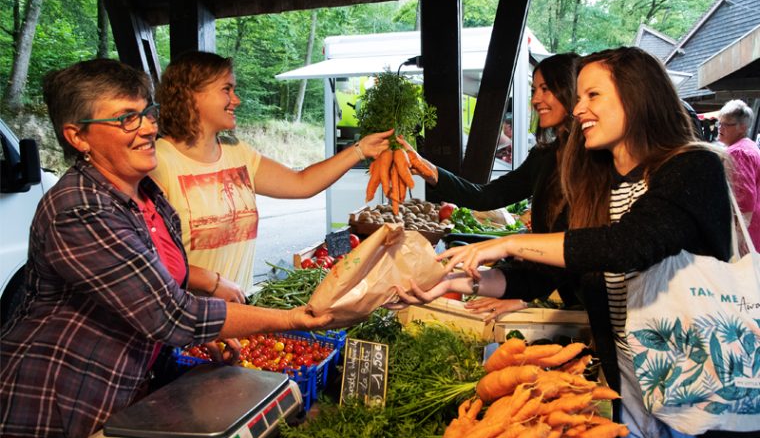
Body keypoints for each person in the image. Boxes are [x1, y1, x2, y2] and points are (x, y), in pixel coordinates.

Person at [391, 47, 733, 438]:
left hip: (699, 375)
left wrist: (511, 244)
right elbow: (542, 275)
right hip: (629, 373)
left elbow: (628, 245)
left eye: (593, 95)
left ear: (636, 95)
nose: (577, 109)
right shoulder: (598, 181)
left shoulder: (693, 166)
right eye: (579, 96)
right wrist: (451, 283)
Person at [0, 59, 333, 438]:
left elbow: (154, 284)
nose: (148, 128)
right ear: (78, 137)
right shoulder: (79, 208)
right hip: (60, 399)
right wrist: (293, 318)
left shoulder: (147, 195)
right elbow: (170, 316)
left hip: (127, 389)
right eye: (127, 118)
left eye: (147, 112)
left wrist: (207, 323)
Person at [151, 51, 393, 296]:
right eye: (227, 89)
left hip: (238, 314)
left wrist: (361, 149)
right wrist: (210, 282)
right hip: (189, 321)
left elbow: (302, 184)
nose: (237, 100)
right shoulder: (158, 162)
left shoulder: (237, 152)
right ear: (191, 94)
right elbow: (149, 260)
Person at [401, 53, 580, 318]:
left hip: (585, 302)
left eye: (546, 89)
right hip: (565, 300)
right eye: (534, 90)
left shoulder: (593, 164)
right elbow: (487, 196)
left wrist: (528, 300)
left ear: (572, 89)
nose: (535, 99)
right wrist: (429, 170)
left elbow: (581, 252)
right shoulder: (545, 156)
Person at [718, 99, 760, 249]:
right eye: (719, 123)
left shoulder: (738, 152)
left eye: (726, 124)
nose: (720, 128)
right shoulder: (749, 146)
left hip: (747, 232)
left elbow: (745, 199)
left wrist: (739, 240)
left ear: (742, 127)